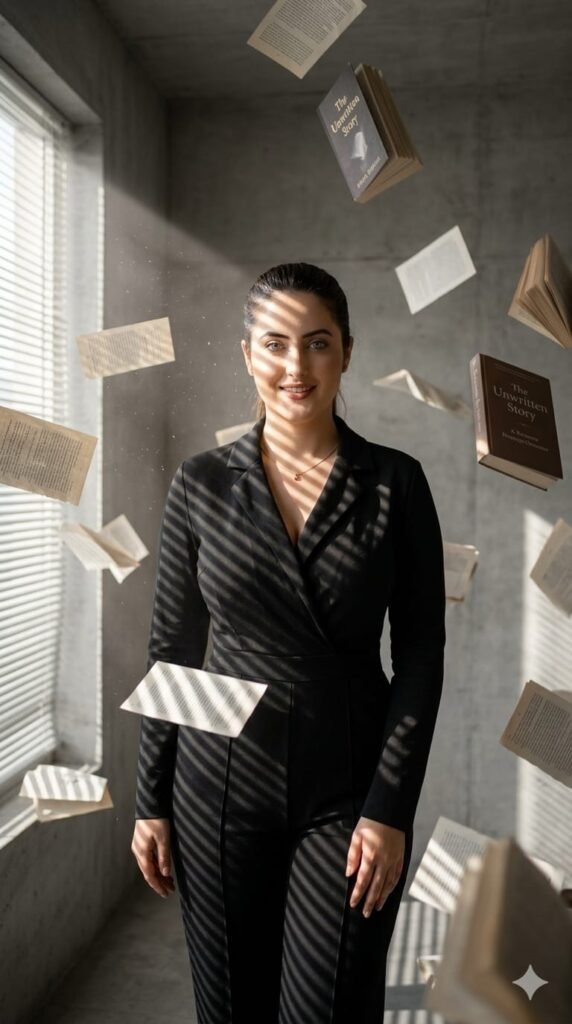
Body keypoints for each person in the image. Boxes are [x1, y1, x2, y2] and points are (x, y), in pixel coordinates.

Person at [131, 262, 446, 1024]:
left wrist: (390, 810)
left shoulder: (394, 484)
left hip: (345, 791)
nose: (295, 367)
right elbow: (172, 648)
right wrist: (151, 802)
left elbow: (422, 658)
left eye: (316, 344)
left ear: (346, 352)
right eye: (275, 344)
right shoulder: (200, 483)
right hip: (215, 789)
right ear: (247, 355)